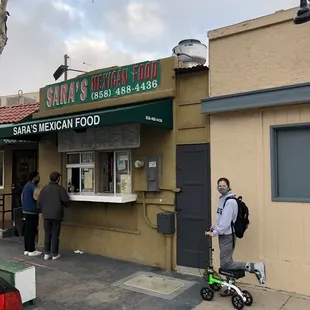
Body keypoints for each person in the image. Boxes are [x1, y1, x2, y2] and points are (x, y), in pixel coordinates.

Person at [205, 177, 266, 296]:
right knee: (229, 262)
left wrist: (214, 233)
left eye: (223, 185)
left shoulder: (230, 202)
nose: (221, 187)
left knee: (225, 264)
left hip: (227, 236)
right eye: (219, 186)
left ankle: (254, 266)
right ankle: (230, 288)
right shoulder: (223, 199)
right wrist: (215, 227)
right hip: (224, 234)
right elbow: (222, 219)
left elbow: (226, 222)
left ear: (228, 186)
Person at [37, 172, 69, 260]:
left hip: (46, 215)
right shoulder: (60, 189)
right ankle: (54, 253)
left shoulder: (44, 189)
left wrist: (41, 210)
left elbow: (39, 202)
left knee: (47, 234)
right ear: (58, 179)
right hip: (56, 215)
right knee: (55, 234)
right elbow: (66, 200)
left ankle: (46, 253)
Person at [21, 171, 42, 257]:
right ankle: (31, 250)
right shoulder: (33, 187)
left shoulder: (26, 186)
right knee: (32, 231)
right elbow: (37, 198)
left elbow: (22, 196)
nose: (39, 178)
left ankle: (26, 249)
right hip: (32, 212)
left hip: (25, 210)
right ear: (34, 177)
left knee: (27, 231)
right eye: (38, 176)